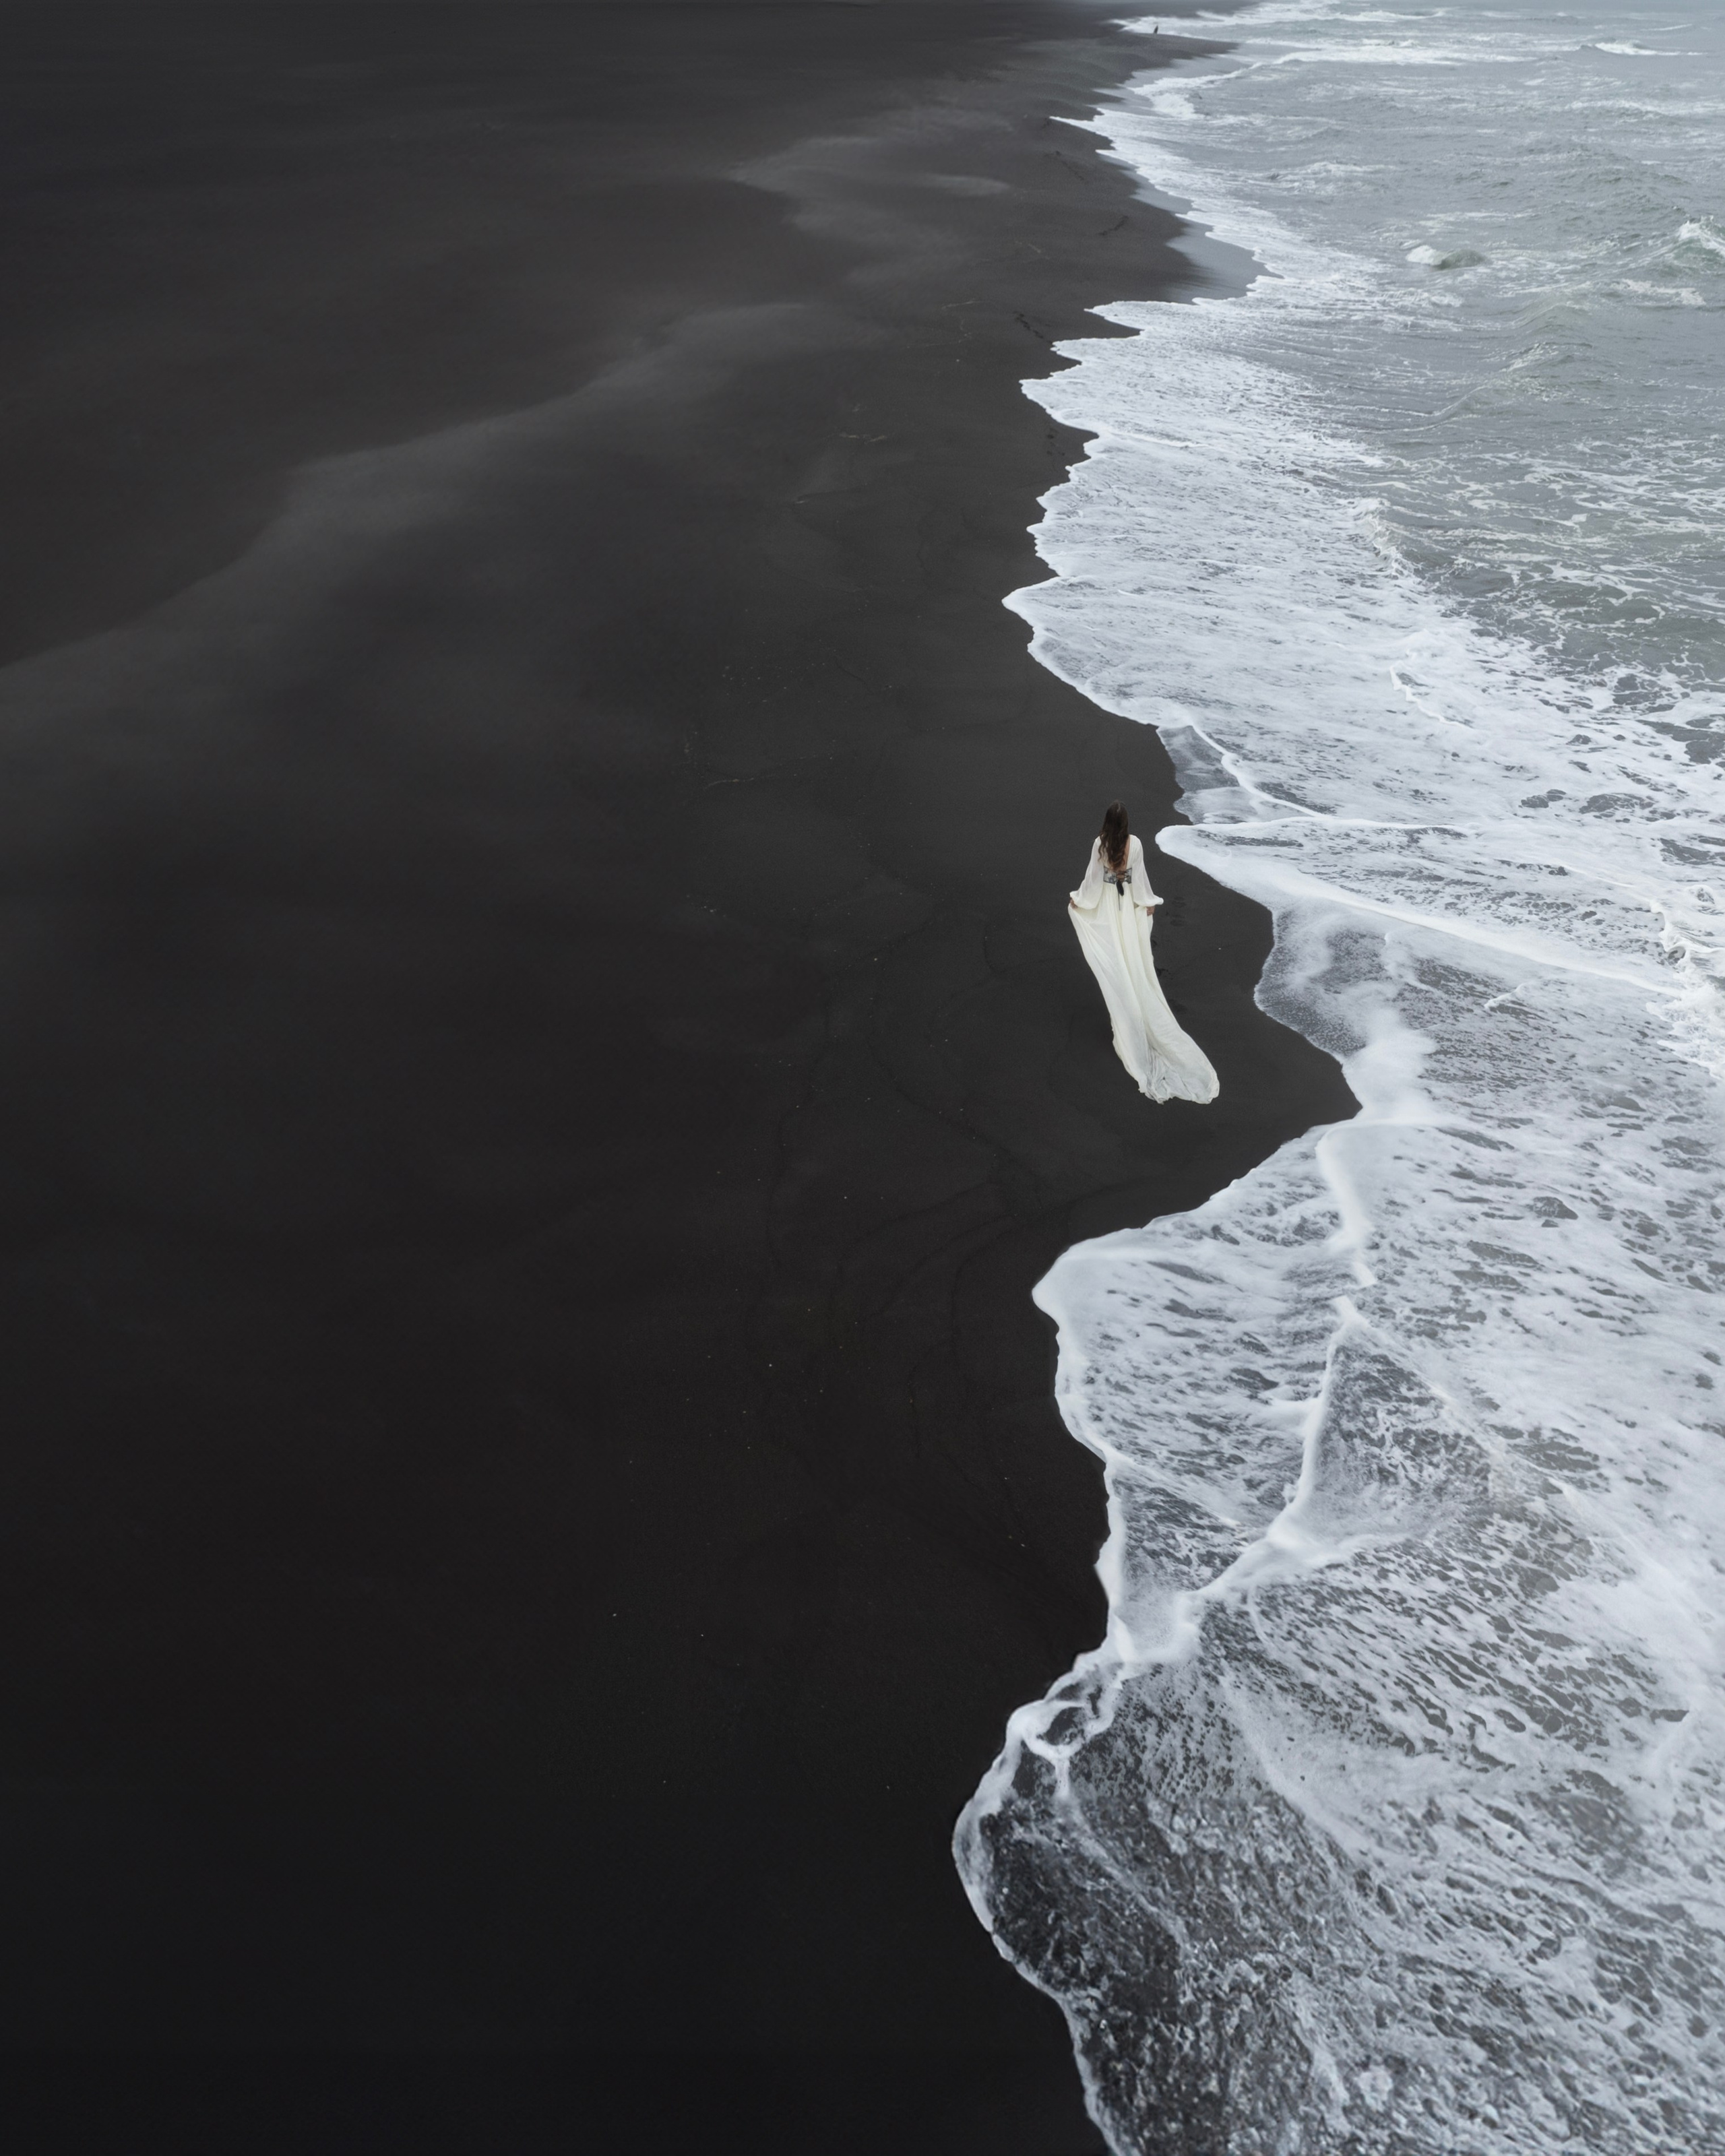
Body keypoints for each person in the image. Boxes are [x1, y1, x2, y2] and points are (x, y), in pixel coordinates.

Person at [1068, 801, 1219, 1104]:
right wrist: (1147, 901)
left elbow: (1094, 881)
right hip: (1127, 907)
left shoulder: (1100, 844)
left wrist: (1079, 902)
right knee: (1133, 955)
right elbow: (1140, 877)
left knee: (1115, 953)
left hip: (1110, 905)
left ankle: (1126, 1015)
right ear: (1126, 824)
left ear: (1107, 821)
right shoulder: (1134, 843)